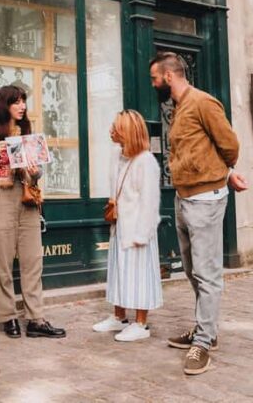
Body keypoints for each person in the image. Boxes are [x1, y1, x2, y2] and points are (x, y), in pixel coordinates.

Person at [149, 52, 248, 375]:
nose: (153, 84)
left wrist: (225, 171)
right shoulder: (178, 107)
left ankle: (203, 342)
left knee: (207, 274)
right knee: (192, 271)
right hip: (184, 198)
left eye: (154, 78)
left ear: (168, 76)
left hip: (206, 200)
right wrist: (225, 170)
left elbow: (229, 144)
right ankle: (206, 329)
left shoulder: (203, 103)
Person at [0, 85, 66, 340]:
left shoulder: (28, 132)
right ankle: (8, 316)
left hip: (26, 198)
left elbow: (38, 173)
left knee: (33, 260)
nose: (22, 106)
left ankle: (36, 318)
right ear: (5, 104)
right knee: (2, 262)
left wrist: (36, 171)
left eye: (24, 101)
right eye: (16, 102)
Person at [92, 110, 163, 342]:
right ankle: (119, 316)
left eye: (116, 127)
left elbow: (150, 202)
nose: (111, 130)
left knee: (139, 274)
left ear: (129, 132)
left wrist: (142, 234)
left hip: (138, 227)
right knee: (118, 271)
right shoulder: (117, 155)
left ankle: (141, 323)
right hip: (120, 224)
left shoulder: (146, 162)